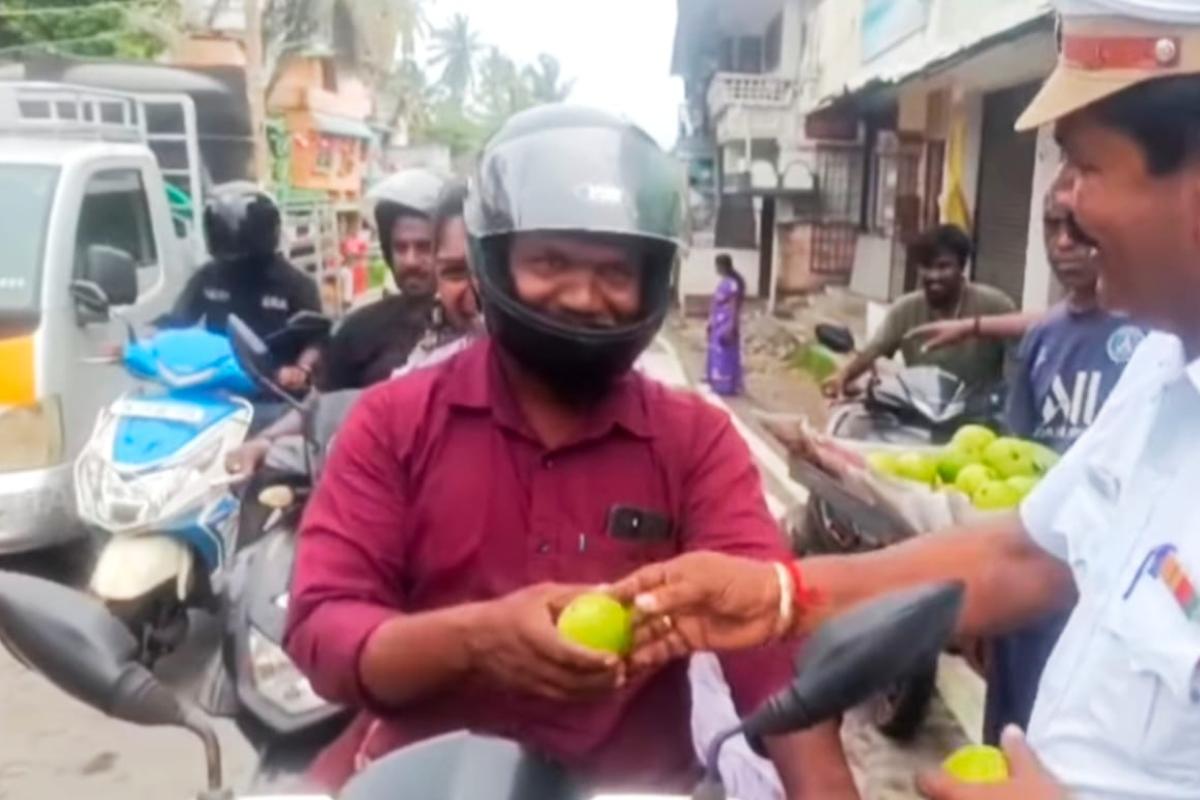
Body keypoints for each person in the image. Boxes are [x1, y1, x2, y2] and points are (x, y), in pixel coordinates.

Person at [611, 4, 1200, 796]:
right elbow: (1024, 554)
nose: (1064, 207)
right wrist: (780, 596)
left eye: (1086, 168)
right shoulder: (1164, 371)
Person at [284, 105, 859, 799]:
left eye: (615, 272)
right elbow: (324, 629)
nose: (585, 297)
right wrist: (474, 640)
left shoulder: (694, 441)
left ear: (652, 281)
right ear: (497, 261)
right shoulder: (393, 423)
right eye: (550, 262)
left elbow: (767, 647)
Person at [984, 171, 1145, 744]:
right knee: (1010, 740)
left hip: (1101, 602)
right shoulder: (1043, 337)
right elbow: (1011, 467)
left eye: (1077, 227)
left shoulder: (1155, 341)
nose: (1063, 243)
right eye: (1053, 225)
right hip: (1031, 590)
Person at [821, 224, 1016, 398]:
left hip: (981, 419)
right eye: (926, 267)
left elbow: (1020, 361)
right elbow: (875, 349)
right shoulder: (906, 310)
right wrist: (843, 377)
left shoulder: (995, 306)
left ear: (961, 267)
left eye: (943, 266)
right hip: (922, 416)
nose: (934, 276)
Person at [164, 182, 322, 391]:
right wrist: (142, 343)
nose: (236, 266)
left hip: (278, 394)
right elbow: (177, 322)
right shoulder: (208, 277)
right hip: (221, 387)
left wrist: (301, 368)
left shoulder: (297, 284)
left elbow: (318, 339)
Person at [316, 167, 446, 391]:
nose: (410, 261)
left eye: (424, 247)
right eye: (400, 247)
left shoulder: (474, 329)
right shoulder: (358, 329)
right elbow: (322, 407)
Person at [706, 253, 746, 396]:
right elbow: (716, 303)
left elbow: (734, 306)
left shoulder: (733, 284)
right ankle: (717, 384)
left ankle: (729, 386)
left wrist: (732, 326)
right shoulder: (723, 282)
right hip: (717, 323)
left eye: (717, 265)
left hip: (726, 323)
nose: (716, 268)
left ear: (723, 266)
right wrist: (710, 321)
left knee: (726, 355)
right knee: (717, 355)